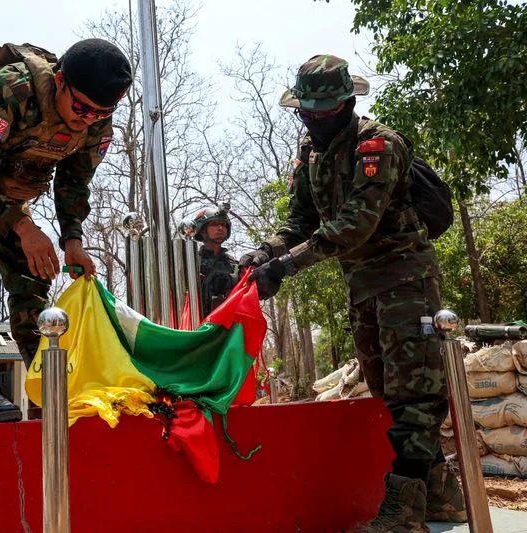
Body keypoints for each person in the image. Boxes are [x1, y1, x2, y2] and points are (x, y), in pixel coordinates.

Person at [240, 55, 465, 531]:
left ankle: (403, 516)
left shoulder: (377, 146)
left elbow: (355, 226)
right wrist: (264, 254)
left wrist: (288, 265)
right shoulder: (311, 153)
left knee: (414, 394)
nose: (318, 119)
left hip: (404, 277)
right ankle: (444, 497)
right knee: (390, 390)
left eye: (328, 110)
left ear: (348, 102)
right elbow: (300, 219)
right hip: (362, 285)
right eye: (309, 111)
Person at [0, 38, 132, 422]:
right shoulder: (10, 89)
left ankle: (44, 386)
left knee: (31, 277)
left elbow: (74, 183)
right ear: (59, 80)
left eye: (100, 112)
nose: (87, 119)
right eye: (80, 108)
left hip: (16, 185)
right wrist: (24, 226)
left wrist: (72, 240)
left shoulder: (96, 119)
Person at [192, 205, 239, 316]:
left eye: (223, 225)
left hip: (228, 325)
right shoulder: (192, 262)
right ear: (202, 230)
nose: (220, 228)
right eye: (214, 224)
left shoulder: (234, 265)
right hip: (197, 323)